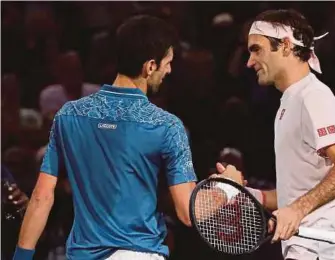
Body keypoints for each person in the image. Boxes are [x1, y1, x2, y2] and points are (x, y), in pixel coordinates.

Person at [13, 15, 243, 260]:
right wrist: (227, 188)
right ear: (150, 66)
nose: (170, 70)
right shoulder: (166, 126)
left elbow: (41, 196)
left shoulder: (69, 115)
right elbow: (187, 211)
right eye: (168, 62)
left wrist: (21, 257)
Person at [244, 9, 335, 260]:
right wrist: (246, 195)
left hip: (330, 252)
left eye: (256, 49)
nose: (249, 62)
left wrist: (297, 210)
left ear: (286, 46)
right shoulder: (289, 104)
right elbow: (296, 193)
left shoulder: (313, 96)